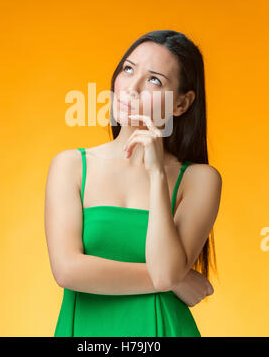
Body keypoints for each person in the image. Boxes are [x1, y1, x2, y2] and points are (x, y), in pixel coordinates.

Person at [45, 30, 222, 337]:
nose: (133, 88)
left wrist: (156, 176)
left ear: (181, 103)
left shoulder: (199, 179)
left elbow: (166, 270)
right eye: (128, 69)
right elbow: (67, 270)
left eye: (155, 80)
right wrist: (180, 280)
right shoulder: (71, 165)